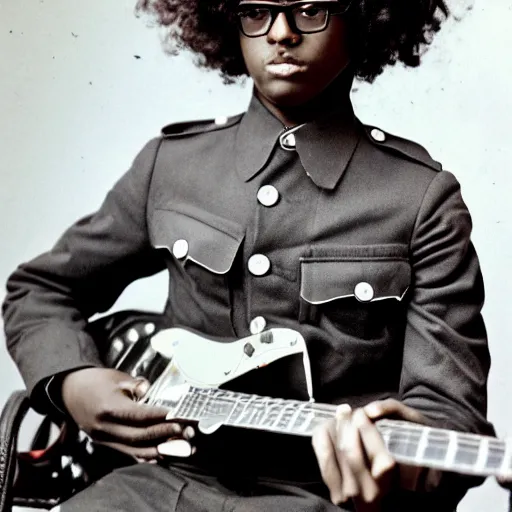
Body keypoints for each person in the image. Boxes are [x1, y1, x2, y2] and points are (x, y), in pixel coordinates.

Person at [2, 0, 495, 510]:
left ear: (365, 20)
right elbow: (40, 290)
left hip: (320, 499)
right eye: (257, 11)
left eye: (310, 10)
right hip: (155, 484)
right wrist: (73, 383)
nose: (280, 33)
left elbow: (449, 414)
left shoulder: (420, 199)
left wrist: (397, 465)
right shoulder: (171, 165)